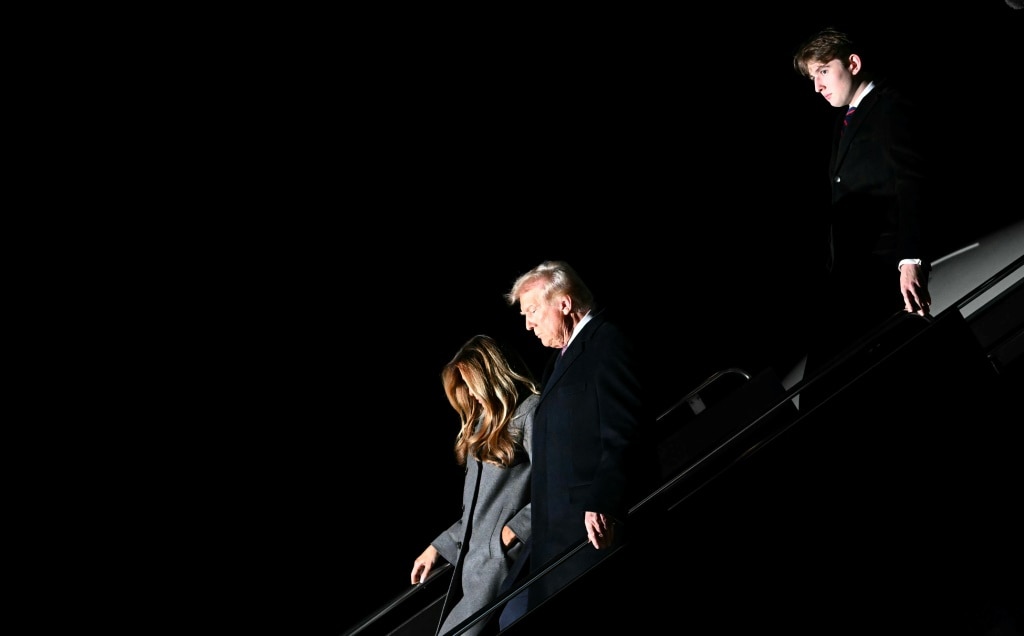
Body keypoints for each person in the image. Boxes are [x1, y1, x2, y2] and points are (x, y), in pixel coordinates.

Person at [496, 260, 657, 629]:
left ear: (564, 304)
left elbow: (625, 428)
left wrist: (604, 500)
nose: (528, 324)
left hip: (591, 531)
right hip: (554, 539)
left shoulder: (606, 341)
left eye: (533, 310)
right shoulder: (557, 362)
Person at [792, 27, 933, 406]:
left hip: (880, 269)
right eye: (812, 77)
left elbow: (912, 183)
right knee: (828, 387)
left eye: (823, 71)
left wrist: (911, 258)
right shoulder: (845, 121)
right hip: (851, 273)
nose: (817, 86)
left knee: (827, 388)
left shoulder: (889, 106)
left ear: (852, 63)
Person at [410, 334, 541, 636]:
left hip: (504, 567)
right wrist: (438, 547)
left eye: (471, 382)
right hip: (474, 571)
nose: (468, 392)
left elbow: (556, 485)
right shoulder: (481, 427)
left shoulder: (529, 412)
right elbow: (478, 513)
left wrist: (513, 532)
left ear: (491, 376)